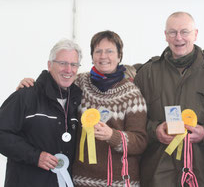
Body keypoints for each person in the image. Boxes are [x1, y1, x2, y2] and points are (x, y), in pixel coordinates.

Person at [17, 31, 148, 186]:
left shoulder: (132, 95)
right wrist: (31, 85)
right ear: (92, 57)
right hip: (80, 180)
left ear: (119, 56)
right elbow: (51, 88)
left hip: (119, 182)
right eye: (98, 51)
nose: (103, 56)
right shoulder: (78, 83)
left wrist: (112, 135)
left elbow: (140, 142)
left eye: (110, 51)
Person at [134, 11, 204, 187]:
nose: (178, 38)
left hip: (199, 173)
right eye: (172, 32)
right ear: (165, 36)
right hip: (156, 173)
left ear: (195, 34)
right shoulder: (147, 73)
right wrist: (155, 130)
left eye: (184, 32)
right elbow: (134, 121)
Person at [0, 39, 83, 187]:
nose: (68, 70)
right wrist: (35, 156)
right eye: (62, 63)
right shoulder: (25, 96)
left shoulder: (79, 101)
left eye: (73, 64)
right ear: (49, 65)